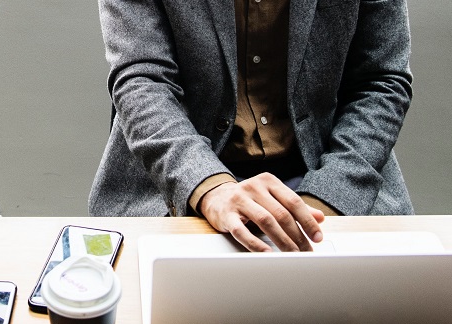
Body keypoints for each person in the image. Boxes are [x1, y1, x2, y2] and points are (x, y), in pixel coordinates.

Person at [89, 0, 415, 252]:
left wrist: (327, 198)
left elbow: (381, 80)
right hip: (183, 179)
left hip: (332, 170)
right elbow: (142, 81)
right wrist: (208, 187)